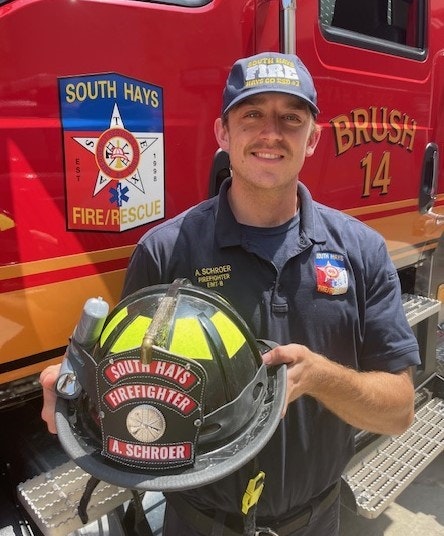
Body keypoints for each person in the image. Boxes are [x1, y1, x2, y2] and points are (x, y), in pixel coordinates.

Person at [40, 51, 420, 536]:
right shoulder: (166, 252)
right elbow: (123, 386)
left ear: (313, 138)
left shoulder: (361, 251)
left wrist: (320, 377)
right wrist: (76, 395)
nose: (271, 133)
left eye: (291, 118)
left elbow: (399, 411)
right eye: (252, 115)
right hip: (199, 524)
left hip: (318, 522)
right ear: (223, 132)